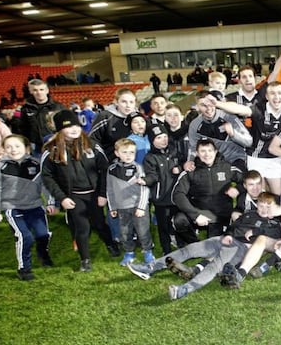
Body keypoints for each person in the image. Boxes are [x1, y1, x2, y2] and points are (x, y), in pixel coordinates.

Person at [128, 192, 281, 300]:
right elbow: (234, 225)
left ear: (274, 207)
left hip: (239, 248)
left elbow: (277, 233)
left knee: (214, 267)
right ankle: (151, 267)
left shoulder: (274, 223)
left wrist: (256, 230)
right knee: (190, 249)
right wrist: (228, 234)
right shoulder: (249, 214)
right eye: (261, 205)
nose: (263, 209)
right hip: (225, 239)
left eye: (267, 206)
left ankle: (184, 290)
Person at [41, 110, 120, 272]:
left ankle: (110, 244)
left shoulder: (91, 144)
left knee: (99, 223)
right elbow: (47, 177)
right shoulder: (52, 151)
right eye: (69, 127)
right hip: (73, 196)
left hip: (94, 194)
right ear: (59, 130)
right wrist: (61, 198)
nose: (74, 129)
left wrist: (103, 194)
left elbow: (104, 170)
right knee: (82, 227)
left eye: (76, 125)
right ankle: (85, 260)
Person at [0, 134, 57, 280]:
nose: (13, 150)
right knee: (24, 237)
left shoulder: (36, 164)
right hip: (13, 208)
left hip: (35, 206)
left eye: (17, 146)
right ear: (4, 149)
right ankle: (24, 268)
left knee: (43, 235)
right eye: (9, 147)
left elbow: (46, 185)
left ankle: (43, 254)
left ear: (26, 148)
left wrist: (50, 202)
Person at [171, 139, 242, 244]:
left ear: (215, 151)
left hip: (220, 215)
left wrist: (237, 189)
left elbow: (247, 181)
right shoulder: (191, 171)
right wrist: (195, 215)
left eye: (210, 150)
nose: (207, 154)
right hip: (199, 213)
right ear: (196, 153)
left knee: (214, 245)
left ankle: (217, 234)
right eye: (203, 151)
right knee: (179, 220)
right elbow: (177, 195)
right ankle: (195, 243)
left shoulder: (227, 167)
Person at [106, 138, 152, 266]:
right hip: (122, 208)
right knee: (125, 232)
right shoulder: (111, 169)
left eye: (132, 152)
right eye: (125, 152)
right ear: (117, 153)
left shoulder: (138, 168)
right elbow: (109, 189)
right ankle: (129, 253)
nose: (128, 155)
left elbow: (144, 189)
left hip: (138, 207)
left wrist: (141, 207)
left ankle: (147, 251)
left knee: (143, 231)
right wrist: (112, 207)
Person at [186, 91, 252, 172]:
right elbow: (193, 147)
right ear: (197, 107)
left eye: (210, 103)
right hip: (212, 162)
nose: (208, 108)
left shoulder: (229, 117)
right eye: (203, 105)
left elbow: (249, 142)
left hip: (236, 159)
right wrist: (190, 160)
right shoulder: (195, 125)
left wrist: (233, 134)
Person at [142, 124, 181, 256]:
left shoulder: (174, 151)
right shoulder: (150, 158)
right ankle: (166, 249)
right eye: (159, 138)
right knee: (163, 225)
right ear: (152, 140)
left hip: (176, 195)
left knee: (177, 220)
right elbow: (152, 175)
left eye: (165, 136)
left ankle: (180, 243)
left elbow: (182, 165)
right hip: (161, 198)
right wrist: (146, 180)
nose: (163, 140)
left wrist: (179, 169)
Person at [20, 79, 66, 155]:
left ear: (47, 90)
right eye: (35, 90)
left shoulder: (59, 107)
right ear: (31, 91)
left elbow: (65, 125)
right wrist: (25, 144)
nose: (39, 92)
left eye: (41, 89)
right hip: (35, 146)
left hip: (55, 143)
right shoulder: (25, 109)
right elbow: (21, 128)